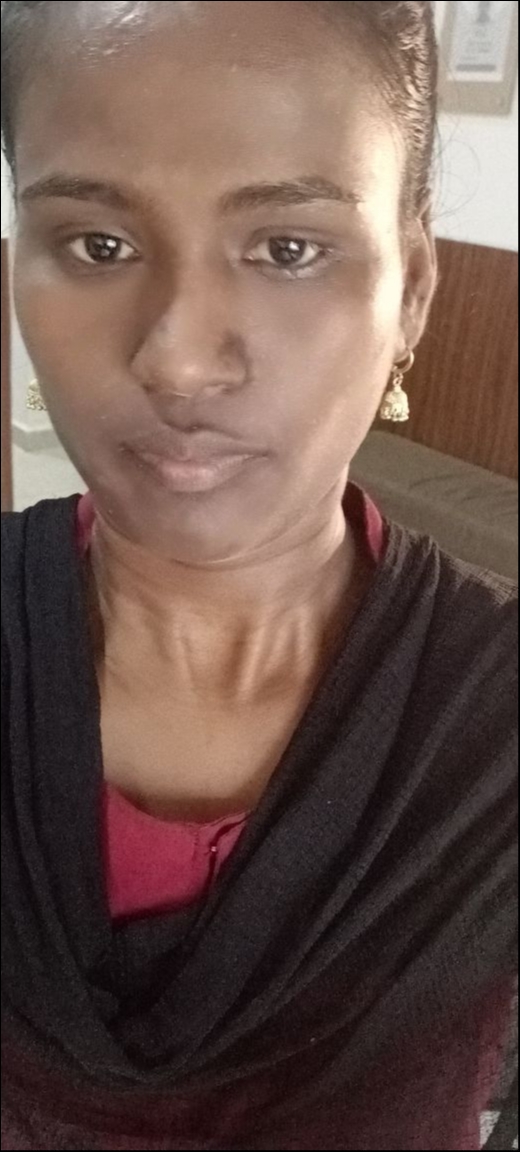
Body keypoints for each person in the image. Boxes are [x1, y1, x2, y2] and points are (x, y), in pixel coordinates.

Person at [1, 3, 517, 1150]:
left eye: (288, 248)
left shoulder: (493, 735)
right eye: (98, 244)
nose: (178, 359)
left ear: (411, 290)